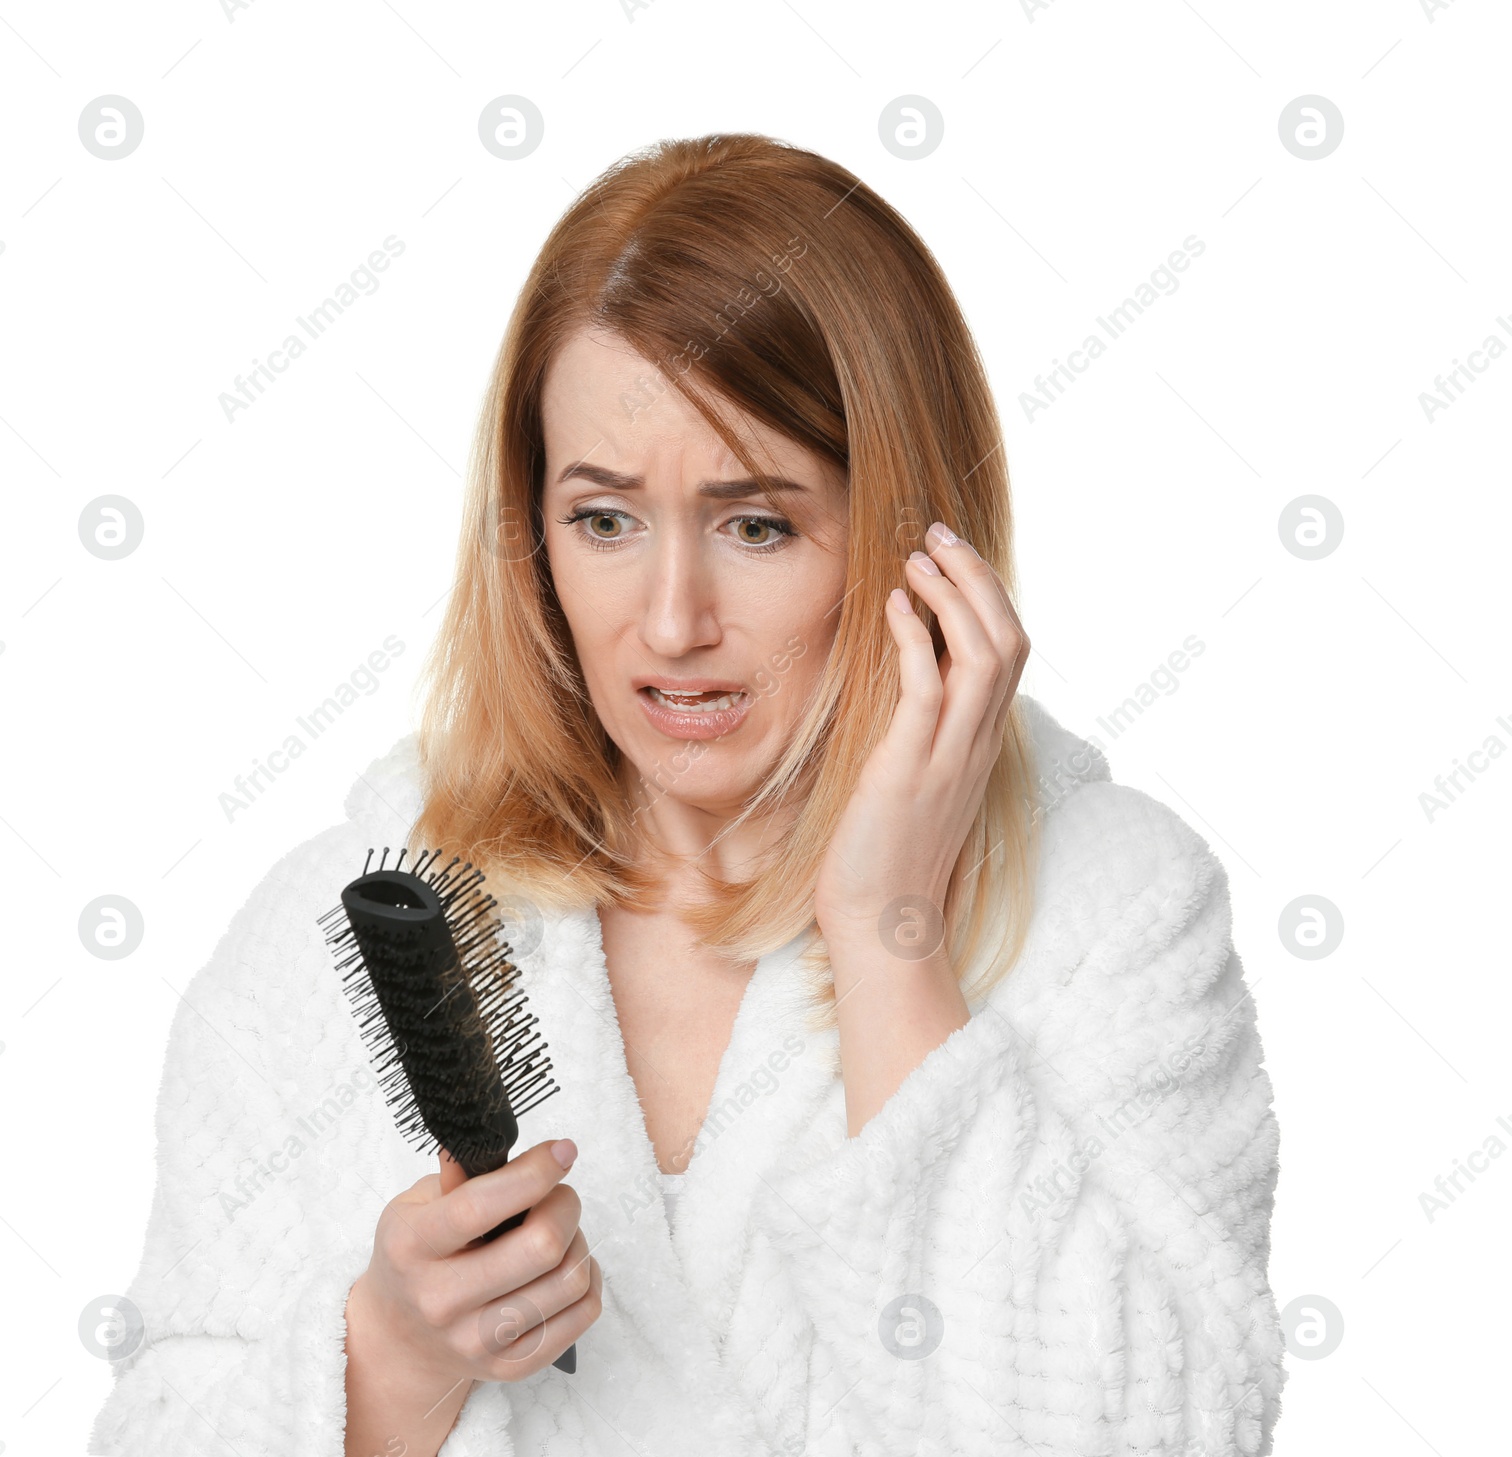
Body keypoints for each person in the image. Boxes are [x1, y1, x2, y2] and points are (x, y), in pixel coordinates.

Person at [89, 133, 1286, 1456]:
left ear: (913, 535)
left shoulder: (1107, 913)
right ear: (533, 536)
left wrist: (891, 931)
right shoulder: (351, 925)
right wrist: (390, 1361)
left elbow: (1151, 1437)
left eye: (755, 523)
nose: (670, 622)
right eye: (604, 520)